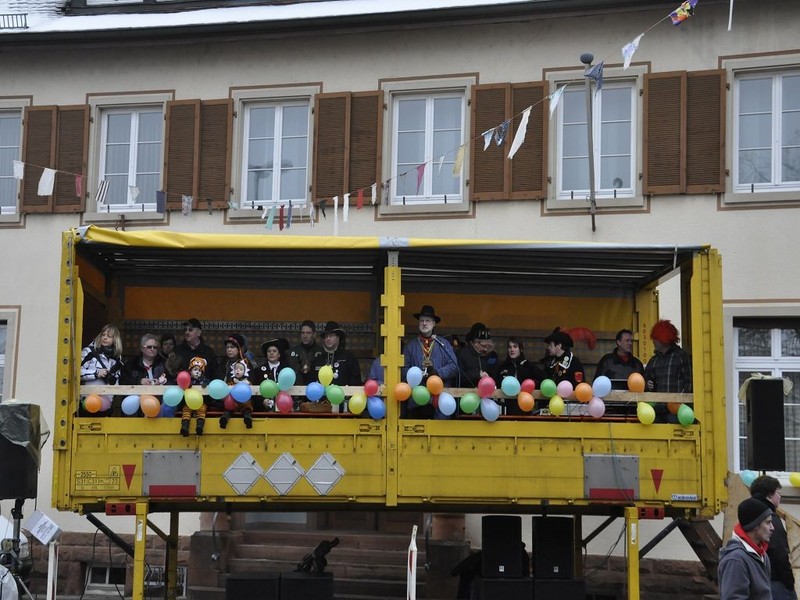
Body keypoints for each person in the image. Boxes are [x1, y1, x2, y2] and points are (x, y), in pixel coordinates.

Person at [403, 305, 459, 418]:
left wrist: (437, 373)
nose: (424, 323)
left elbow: (454, 367)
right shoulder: (410, 346)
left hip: (440, 401)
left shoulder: (443, 344)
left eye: (428, 321)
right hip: (417, 402)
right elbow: (403, 370)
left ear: (434, 324)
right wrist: (417, 374)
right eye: (421, 320)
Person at [718, 497, 774, 600]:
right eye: (768, 522)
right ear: (755, 525)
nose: (772, 527)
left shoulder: (762, 555)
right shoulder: (736, 560)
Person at [750, 475, 796, 600]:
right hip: (774, 582)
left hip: (755, 581)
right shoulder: (771, 519)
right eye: (778, 493)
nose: (780, 497)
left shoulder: (748, 517)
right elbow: (780, 552)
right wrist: (789, 583)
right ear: (770, 495)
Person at [494, 337, 544, 415]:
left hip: (525, 408)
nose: (512, 349)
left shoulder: (528, 365)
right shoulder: (502, 367)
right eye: (510, 347)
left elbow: (543, 379)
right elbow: (496, 384)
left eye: (515, 346)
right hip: (507, 409)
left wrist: (533, 387)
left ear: (521, 349)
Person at [644, 319, 692, 393]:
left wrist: (682, 399)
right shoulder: (653, 360)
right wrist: (648, 384)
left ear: (664, 339)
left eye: (656, 338)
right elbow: (644, 382)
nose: (653, 341)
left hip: (677, 401)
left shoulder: (681, 356)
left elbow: (688, 383)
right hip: (658, 400)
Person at [312, 321, 362, 386]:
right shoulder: (318, 359)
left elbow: (356, 381)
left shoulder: (349, 357)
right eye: (326, 336)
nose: (328, 339)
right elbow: (312, 382)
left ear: (338, 337)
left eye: (331, 336)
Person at [458, 322, 498, 389]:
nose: (486, 349)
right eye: (484, 346)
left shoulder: (492, 355)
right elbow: (459, 376)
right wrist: (477, 375)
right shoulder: (462, 354)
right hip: (467, 392)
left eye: (488, 346)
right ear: (475, 343)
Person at [180, 356, 210, 436]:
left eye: (199, 371)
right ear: (190, 370)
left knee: (201, 411)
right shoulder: (187, 379)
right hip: (188, 402)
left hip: (201, 402)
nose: (197, 372)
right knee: (186, 411)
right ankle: (185, 427)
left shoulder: (204, 380)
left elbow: (209, 386)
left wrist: (205, 385)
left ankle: (199, 426)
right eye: (195, 370)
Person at [287, 320, 323, 385]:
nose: (305, 336)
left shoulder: (321, 352)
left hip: (316, 388)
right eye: (303, 333)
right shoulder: (292, 352)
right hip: (296, 388)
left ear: (314, 334)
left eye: (308, 333)